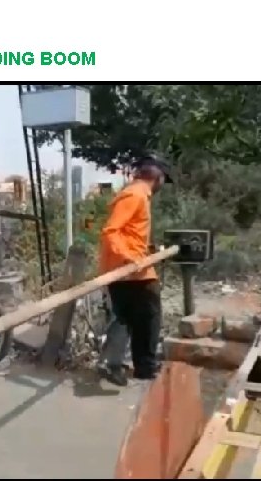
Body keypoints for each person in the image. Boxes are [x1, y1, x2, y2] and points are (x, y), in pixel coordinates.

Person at [96, 154, 171, 386]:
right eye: (163, 181)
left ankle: (130, 365)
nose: (162, 186)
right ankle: (134, 365)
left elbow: (130, 233)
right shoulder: (135, 195)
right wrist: (130, 258)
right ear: (157, 177)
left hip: (133, 267)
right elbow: (111, 231)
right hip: (129, 270)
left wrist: (149, 249)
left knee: (130, 318)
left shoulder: (138, 195)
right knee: (143, 316)